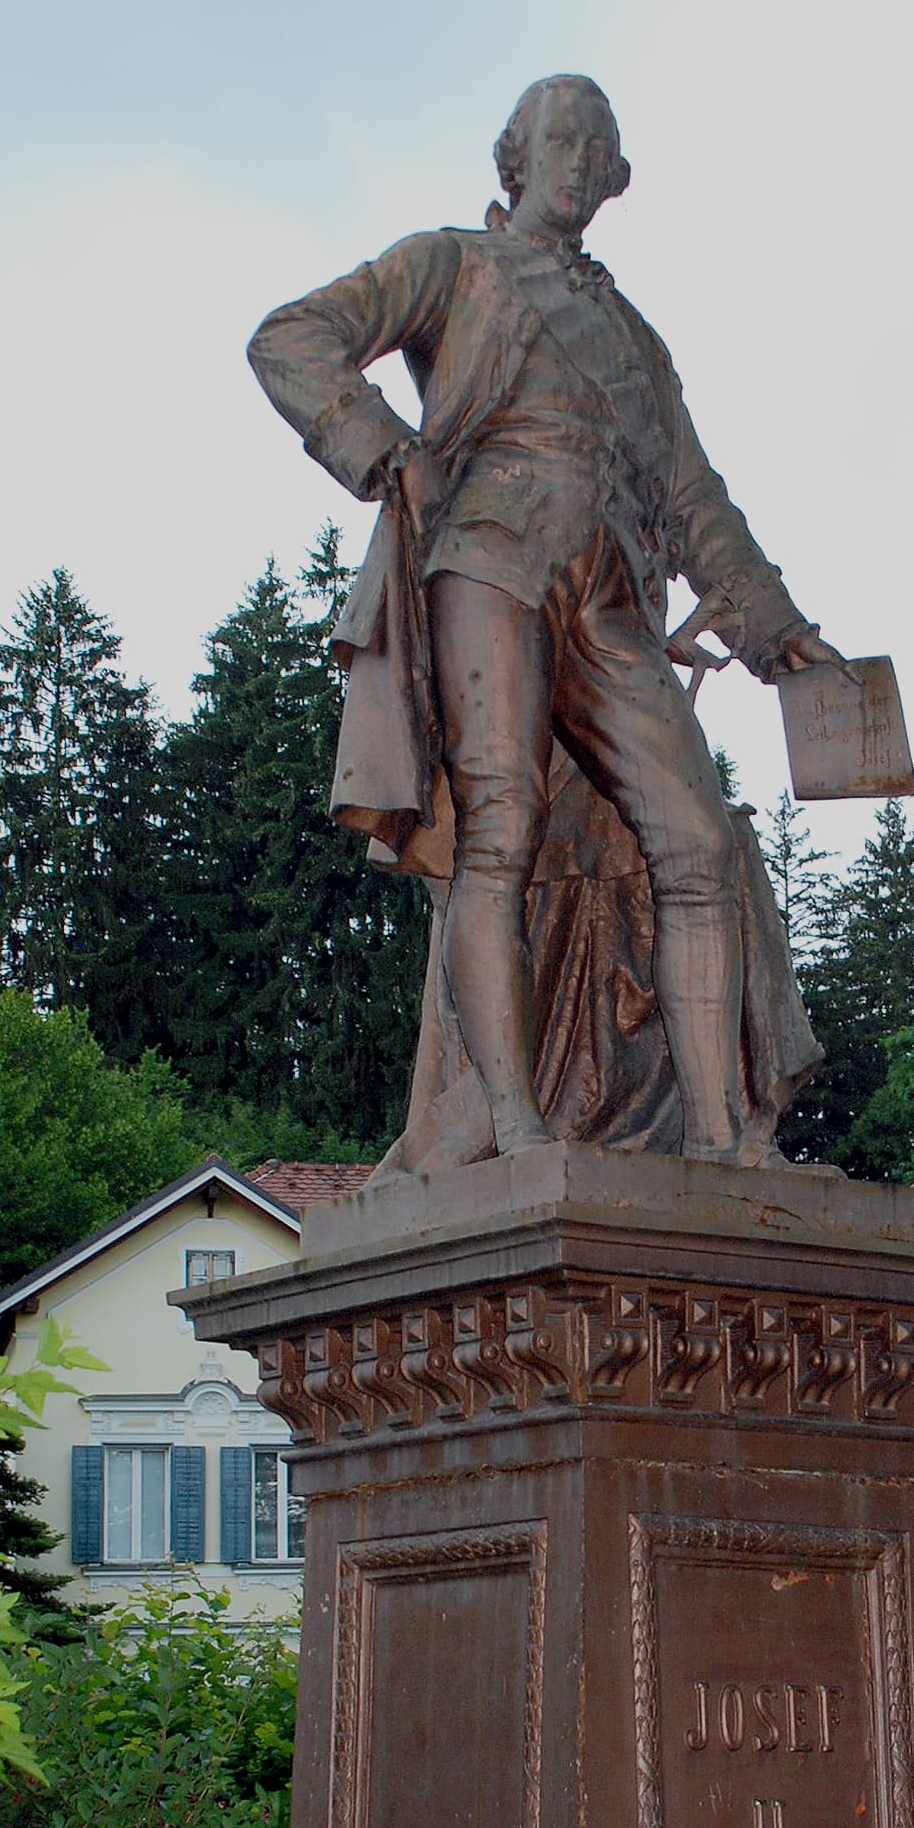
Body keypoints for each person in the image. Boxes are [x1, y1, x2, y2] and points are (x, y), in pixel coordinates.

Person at [247, 73, 834, 1168]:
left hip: (609, 591)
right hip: (486, 563)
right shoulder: (450, 265)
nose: (576, 157)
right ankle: (512, 1119)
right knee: (500, 828)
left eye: (595, 144)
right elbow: (291, 337)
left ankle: (717, 1133)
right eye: (558, 138)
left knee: (698, 839)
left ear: (615, 176)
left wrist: (773, 623)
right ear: (513, 158)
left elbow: (697, 497)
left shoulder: (636, 342)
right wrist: (383, 447)